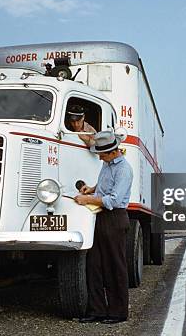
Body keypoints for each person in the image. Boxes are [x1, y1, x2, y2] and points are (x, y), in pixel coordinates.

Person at [74, 130, 133, 324]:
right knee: (95, 265)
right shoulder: (107, 165)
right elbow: (105, 186)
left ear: (112, 152)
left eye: (101, 153)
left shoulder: (124, 169)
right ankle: (97, 310)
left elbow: (114, 200)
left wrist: (88, 199)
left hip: (115, 219)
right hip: (100, 218)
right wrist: (92, 188)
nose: (99, 156)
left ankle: (118, 313)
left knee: (115, 266)